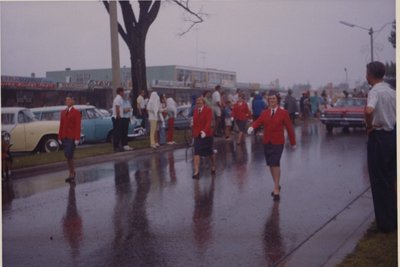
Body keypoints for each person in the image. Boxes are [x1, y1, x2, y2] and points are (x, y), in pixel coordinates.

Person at [364, 61, 396, 233]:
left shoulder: (374, 91)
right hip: (393, 136)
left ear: (370, 74)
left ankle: (385, 224)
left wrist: (369, 126)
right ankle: (394, 218)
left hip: (379, 137)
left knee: (378, 181)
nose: (365, 76)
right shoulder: (392, 91)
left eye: (366, 72)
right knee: (391, 180)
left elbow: (369, 111)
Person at [247, 90, 296, 201]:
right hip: (267, 141)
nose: (272, 101)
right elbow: (258, 121)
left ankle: (276, 189)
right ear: (268, 100)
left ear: (277, 100)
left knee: (275, 163)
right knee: (270, 164)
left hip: (278, 142)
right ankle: (276, 184)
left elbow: (289, 128)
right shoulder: (265, 113)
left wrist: (293, 143)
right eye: (270, 99)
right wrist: (252, 127)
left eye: (274, 99)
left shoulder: (283, 113)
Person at [58, 96, 82, 183]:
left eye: (69, 100)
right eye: (66, 99)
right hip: (64, 137)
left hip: (72, 137)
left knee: (69, 154)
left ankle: (72, 173)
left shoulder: (76, 112)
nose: (67, 101)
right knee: (67, 156)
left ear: (73, 101)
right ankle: (71, 172)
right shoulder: (63, 112)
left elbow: (77, 126)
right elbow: (61, 125)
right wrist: (59, 137)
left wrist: (77, 138)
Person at [192, 97, 216, 179]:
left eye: (200, 101)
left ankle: (213, 165)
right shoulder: (195, 110)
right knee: (196, 152)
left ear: (203, 102)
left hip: (207, 135)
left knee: (209, 152)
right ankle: (196, 172)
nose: (198, 103)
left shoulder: (208, 110)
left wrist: (204, 131)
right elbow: (195, 122)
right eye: (197, 102)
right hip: (197, 135)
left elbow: (208, 122)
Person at [112, 87, 125, 152]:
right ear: (120, 92)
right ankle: (116, 146)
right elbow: (117, 108)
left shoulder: (120, 99)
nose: (124, 93)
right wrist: (118, 116)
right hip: (117, 117)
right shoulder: (118, 98)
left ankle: (119, 145)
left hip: (120, 117)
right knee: (116, 132)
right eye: (123, 91)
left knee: (119, 132)